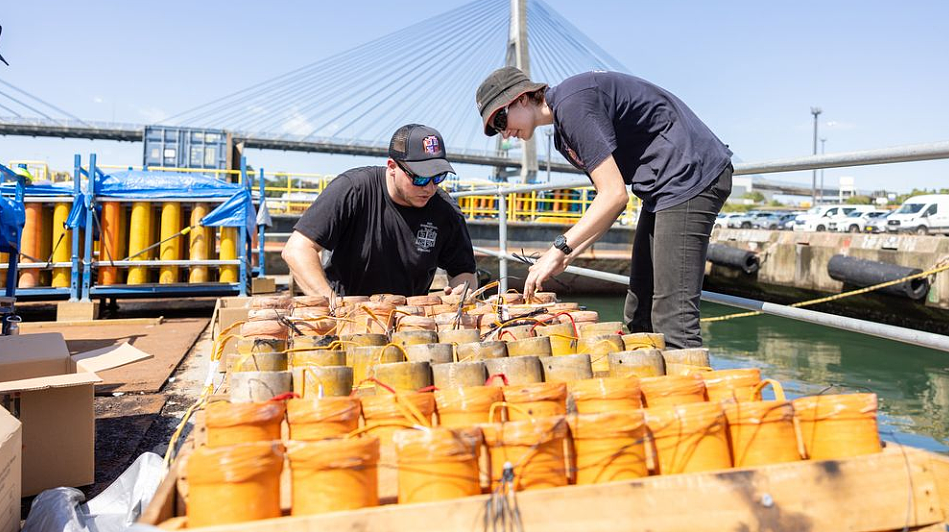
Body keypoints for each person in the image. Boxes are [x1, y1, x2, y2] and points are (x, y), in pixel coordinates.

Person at [475, 67, 732, 349]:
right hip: (662, 187)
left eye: (500, 118)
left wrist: (558, 248)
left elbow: (614, 195)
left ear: (522, 98)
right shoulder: (564, 132)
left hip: (691, 176)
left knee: (674, 323)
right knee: (639, 314)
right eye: (495, 129)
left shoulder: (573, 104)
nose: (504, 133)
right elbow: (609, 205)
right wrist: (568, 256)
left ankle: (685, 389)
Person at [282, 124, 478, 298]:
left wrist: (463, 290)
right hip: (348, 309)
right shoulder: (353, 189)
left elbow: (464, 272)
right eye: (420, 178)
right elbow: (297, 249)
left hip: (409, 320)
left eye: (438, 177)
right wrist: (331, 304)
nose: (429, 187)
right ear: (392, 166)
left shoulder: (446, 210)